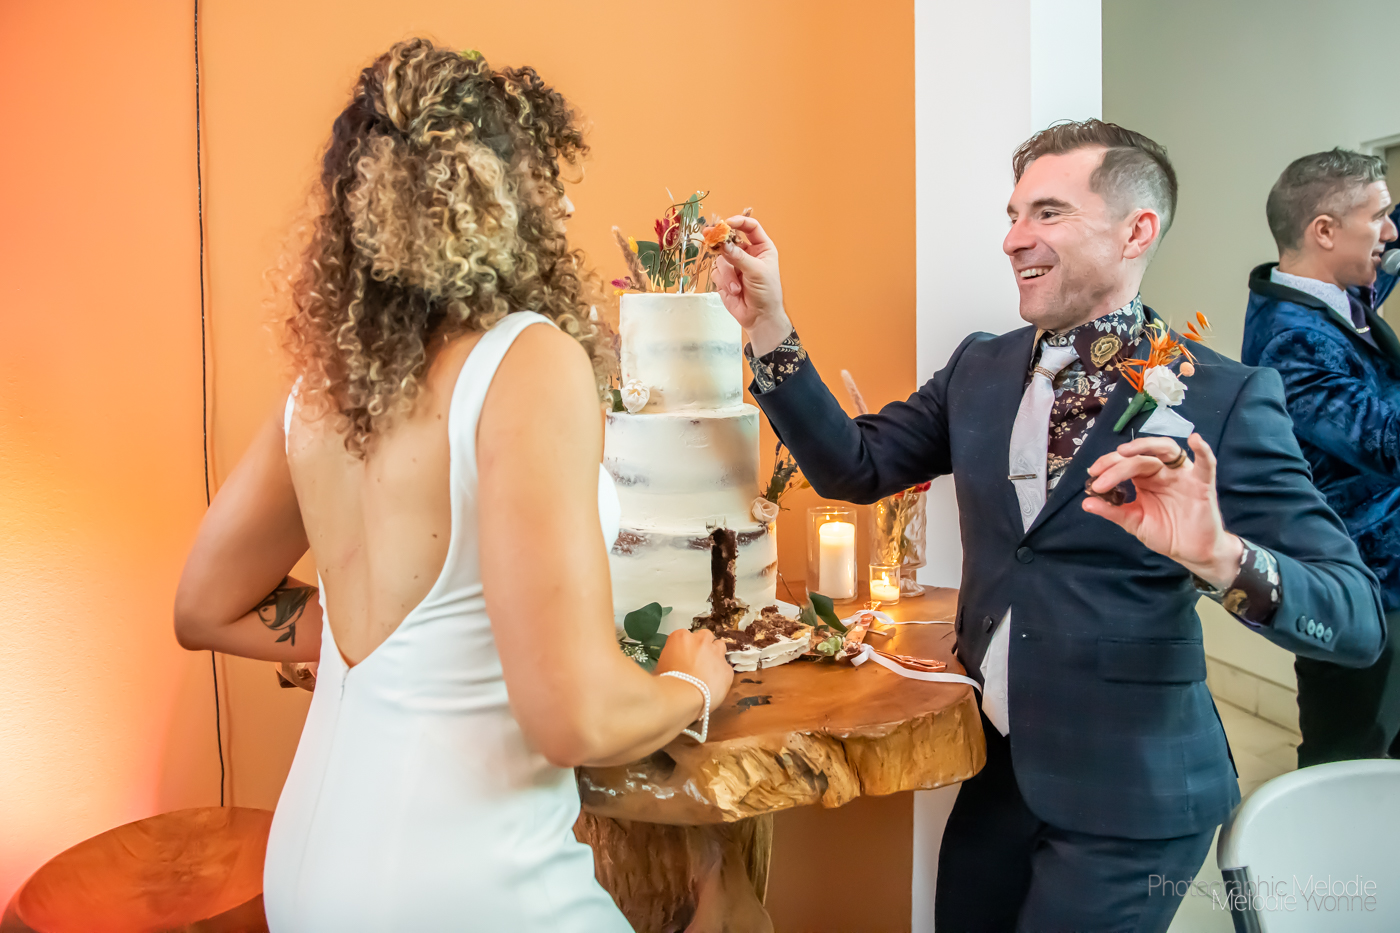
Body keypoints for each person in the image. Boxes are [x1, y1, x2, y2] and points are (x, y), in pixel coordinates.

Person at [712, 120, 1384, 932]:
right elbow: (854, 466)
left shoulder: (1226, 397)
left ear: (1136, 231)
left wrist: (1221, 555)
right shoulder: (980, 367)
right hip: (998, 776)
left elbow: (1356, 619)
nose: (1013, 239)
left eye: (1048, 213)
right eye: (1013, 214)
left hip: (1133, 799)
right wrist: (769, 324)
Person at [173, 39, 732, 932]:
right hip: (467, 887)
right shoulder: (526, 363)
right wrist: (691, 686)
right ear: (507, 197)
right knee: (727, 905)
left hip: (311, 874)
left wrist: (394, 643)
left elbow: (205, 605)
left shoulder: (325, 392)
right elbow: (576, 718)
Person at [1242, 148, 1400, 767]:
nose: (1389, 234)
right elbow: (1386, 444)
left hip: (1385, 572)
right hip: (1361, 580)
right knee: (1352, 756)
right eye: (1378, 219)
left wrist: (1384, 221)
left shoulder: (1331, 292)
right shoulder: (1295, 340)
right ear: (1325, 231)